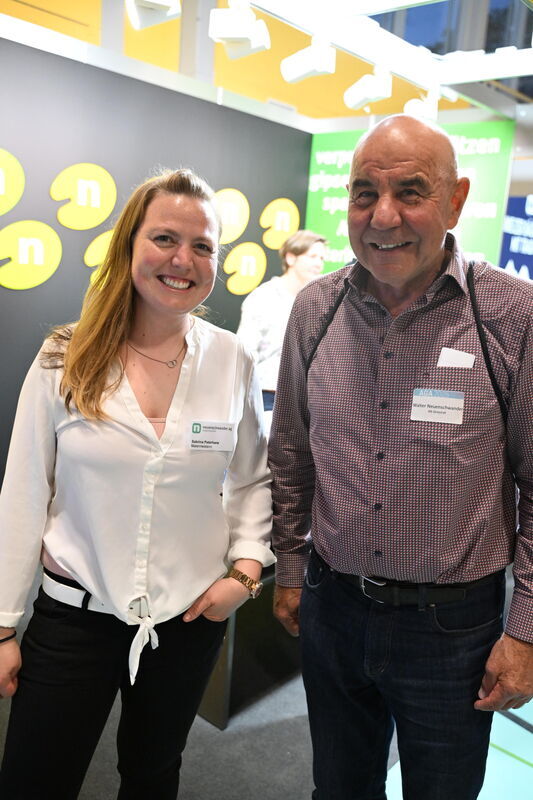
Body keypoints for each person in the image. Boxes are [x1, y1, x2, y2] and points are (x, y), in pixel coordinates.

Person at [269, 114, 533, 800]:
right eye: (365, 193)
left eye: (410, 191)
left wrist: (526, 631)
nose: (383, 216)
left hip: (455, 629)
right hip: (333, 607)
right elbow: (291, 452)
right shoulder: (315, 310)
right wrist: (291, 567)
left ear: (455, 200)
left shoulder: (510, 315)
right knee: (338, 787)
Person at [0, 168, 274, 799]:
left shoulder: (230, 358)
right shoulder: (65, 356)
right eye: (164, 239)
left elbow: (253, 478)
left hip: (188, 620)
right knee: (35, 780)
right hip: (74, 620)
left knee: (153, 776)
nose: (183, 260)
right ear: (129, 245)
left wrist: (245, 573)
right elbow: (23, 494)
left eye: (202, 246)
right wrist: (4, 626)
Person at [236, 229, 326, 411]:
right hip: (266, 395)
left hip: (308, 399)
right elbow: (244, 353)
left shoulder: (321, 300)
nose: (318, 264)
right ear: (291, 258)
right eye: (312, 256)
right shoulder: (263, 297)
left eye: (321, 258)